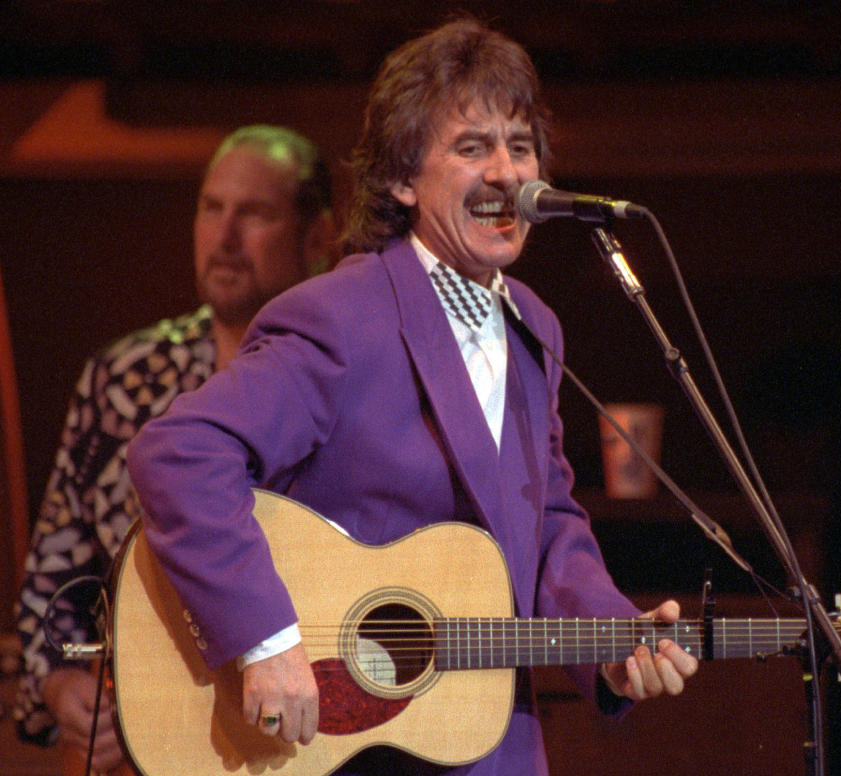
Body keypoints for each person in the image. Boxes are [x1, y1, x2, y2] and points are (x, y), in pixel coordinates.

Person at [126, 17, 698, 775]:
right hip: (351, 743)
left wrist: (612, 641)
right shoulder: (345, 314)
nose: (505, 172)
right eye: (472, 147)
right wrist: (265, 641)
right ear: (401, 178)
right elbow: (179, 452)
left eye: (520, 147)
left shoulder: (536, 328)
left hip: (495, 742)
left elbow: (546, 520)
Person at [14, 124, 334, 773]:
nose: (225, 235)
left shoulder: (344, 379)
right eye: (211, 208)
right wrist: (59, 687)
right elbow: (55, 575)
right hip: (148, 746)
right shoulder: (121, 376)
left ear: (320, 237)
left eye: (255, 213)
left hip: (305, 747)